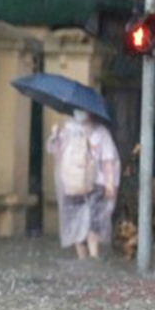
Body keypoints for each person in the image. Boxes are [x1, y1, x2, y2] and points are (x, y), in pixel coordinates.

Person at [46, 108, 121, 260]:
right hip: (73, 182)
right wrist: (55, 135)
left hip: (96, 183)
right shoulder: (68, 130)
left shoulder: (100, 132)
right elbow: (55, 150)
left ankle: (93, 255)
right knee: (74, 219)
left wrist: (109, 182)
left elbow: (108, 159)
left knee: (93, 219)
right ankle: (82, 256)